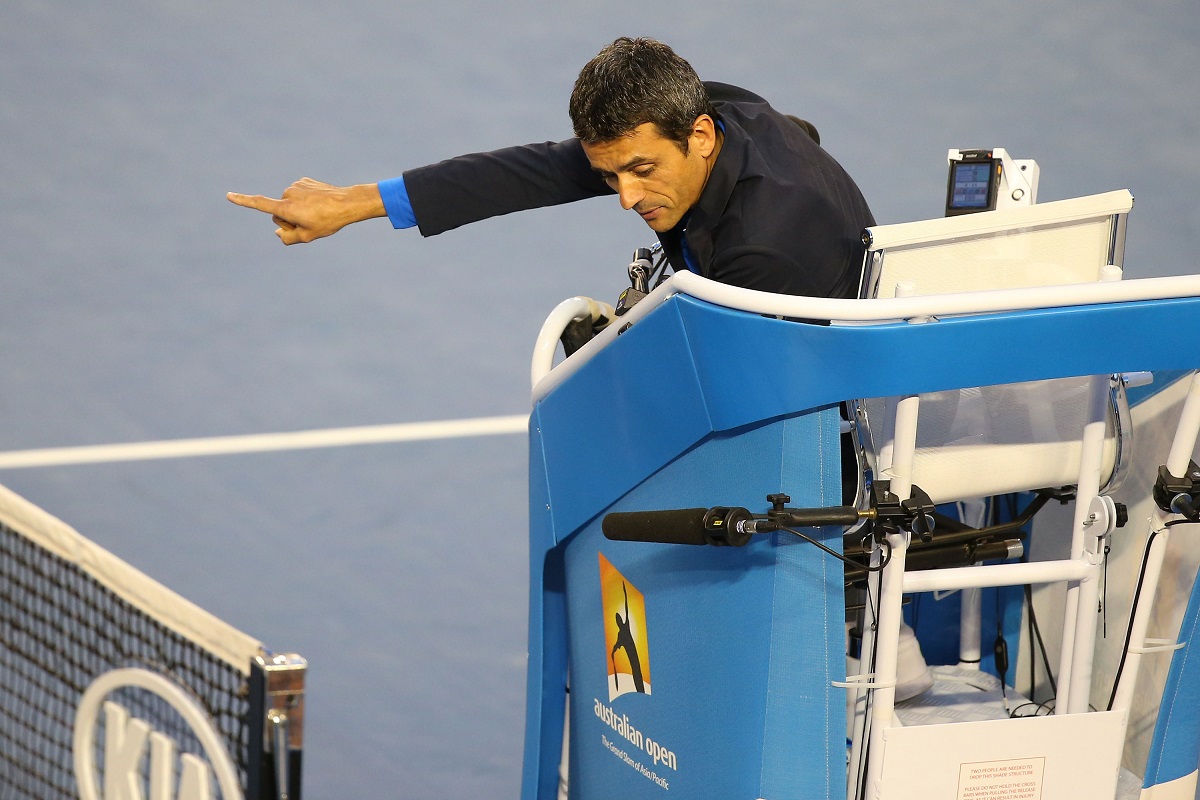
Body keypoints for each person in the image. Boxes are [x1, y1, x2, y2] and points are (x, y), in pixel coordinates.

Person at [228, 37, 874, 298]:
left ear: (700, 136)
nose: (626, 197)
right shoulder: (716, 113)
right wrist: (355, 202)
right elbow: (531, 173)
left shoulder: (760, 252)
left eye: (641, 171)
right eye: (610, 175)